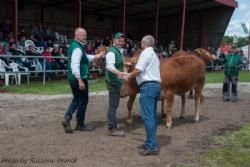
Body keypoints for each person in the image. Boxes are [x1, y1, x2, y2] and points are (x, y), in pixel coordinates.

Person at [62, 27, 104, 133]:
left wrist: (96, 56)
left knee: (77, 98)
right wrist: (80, 80)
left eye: (85, 35)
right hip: (79, 77)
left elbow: (84, 57)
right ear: (77, 35)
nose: (85, 37)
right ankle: (80, 124)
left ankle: (67, 117)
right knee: (83, 100)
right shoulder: (77, 48)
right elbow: (75, 64)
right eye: (83, 35)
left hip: (72, 77)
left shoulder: (76, 46)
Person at [124, 35, 161, 156]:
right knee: (152, 116)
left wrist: (128, 76)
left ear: (144, 43)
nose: (140, 44)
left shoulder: (145, 53)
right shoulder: (154, 55)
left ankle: (151, 146)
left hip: (147, 87)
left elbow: (139, 69)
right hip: (155, 86)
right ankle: (150, 142)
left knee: (147, 116)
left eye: (141, 42)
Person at [105, 32, 126, 137]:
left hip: (116, 81)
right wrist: (117, 72)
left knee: (114, 105)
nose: (121, 42)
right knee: (113, 106)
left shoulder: (118, 51)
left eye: (122, 40)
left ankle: (113, 126)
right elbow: (109, 66)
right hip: (113, 82)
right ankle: (111, 128)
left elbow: (120, 67)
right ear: (114, 40)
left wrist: (124, 76)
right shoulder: (111, 52)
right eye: (119, 40)